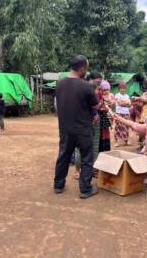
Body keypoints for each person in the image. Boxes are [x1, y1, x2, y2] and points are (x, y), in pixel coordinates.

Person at [54, 55, 99, 199]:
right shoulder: (85, 85)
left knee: (63, 156)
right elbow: (96, 105)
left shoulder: (59, 84)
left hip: (65, 129)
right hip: (83, 129)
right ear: (82, 68)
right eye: (86, 68)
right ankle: (85, 189)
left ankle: (58, 185)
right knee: (87, 158)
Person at [114, 81, 132, 147]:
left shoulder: (127, 96)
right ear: (119, 89)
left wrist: (124, 103)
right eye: (121, 88)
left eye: (124, 88)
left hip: (126, 113)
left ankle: (126, 140)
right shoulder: (117, 95)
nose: (123, 89)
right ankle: (116, 141)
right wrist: (125, 103)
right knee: (118, 127)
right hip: (119, 113)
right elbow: (120, 104)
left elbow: (130, 104)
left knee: (126, 126)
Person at [99, 80, 114, 152]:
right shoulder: (100, 96)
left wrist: (112, 103)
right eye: (104, 90)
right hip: (102, 116)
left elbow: (113, 103)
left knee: (106, 132)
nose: (105, 92)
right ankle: (102, 148)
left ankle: (106, 149)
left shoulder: (111, 95)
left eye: (107, 90)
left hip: (107, 117)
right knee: (101, 132)